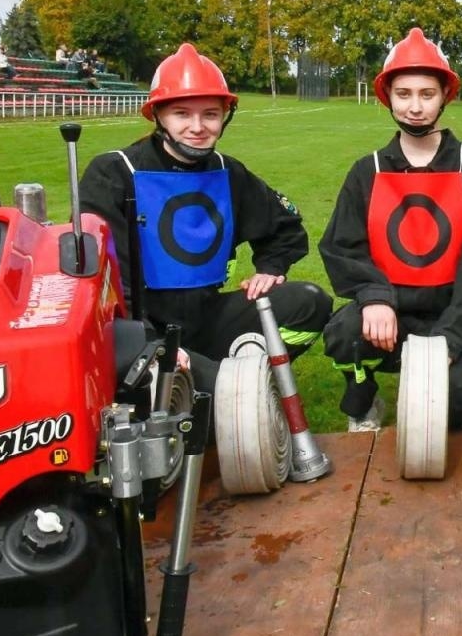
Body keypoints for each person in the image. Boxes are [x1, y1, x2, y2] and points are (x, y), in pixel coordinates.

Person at [78, 42, 330, 389]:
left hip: (207, 318)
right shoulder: (114, 173)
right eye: (182, 114)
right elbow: (106, 278)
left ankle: (245, 374)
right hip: (136, 332)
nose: (198, 127)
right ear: (158, 115)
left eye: (210, 114)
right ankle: (220, 385)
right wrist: (152, 343)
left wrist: (271, 268)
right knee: (229, 406)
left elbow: (285, 228)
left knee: (309, 303)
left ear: (224, 116)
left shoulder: (229, 172)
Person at [319, 29, 462, 433]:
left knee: (454, 416)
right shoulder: (367, 170)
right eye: (404, 94)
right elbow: (342, 246)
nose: (415, 107)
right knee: (345, 333)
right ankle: (364, 403)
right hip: (392, 315)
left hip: (453, 315)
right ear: (387, 97)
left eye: (426, 94)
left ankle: (452, 374)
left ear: (444, 97)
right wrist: (373, 297)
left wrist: (452, 340)